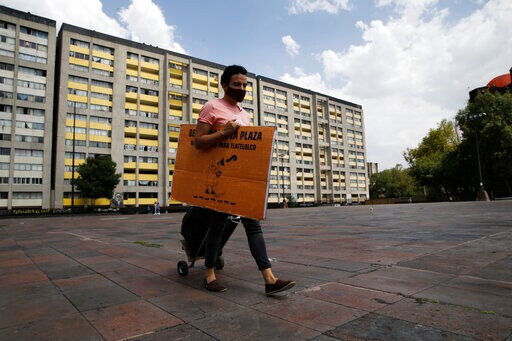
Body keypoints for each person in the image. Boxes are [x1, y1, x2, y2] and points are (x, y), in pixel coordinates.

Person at [193, 64, 295, 296]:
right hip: (220, 178)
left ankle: (269, 279)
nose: (241, 88)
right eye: (237, 84)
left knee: (253, 226)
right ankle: (209, 276)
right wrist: (224, 132)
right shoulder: (212, 107)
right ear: (225, 85)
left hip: (241, 179)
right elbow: (198, 142)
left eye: (245, 85)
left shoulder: (244, 114)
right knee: (217, 226)